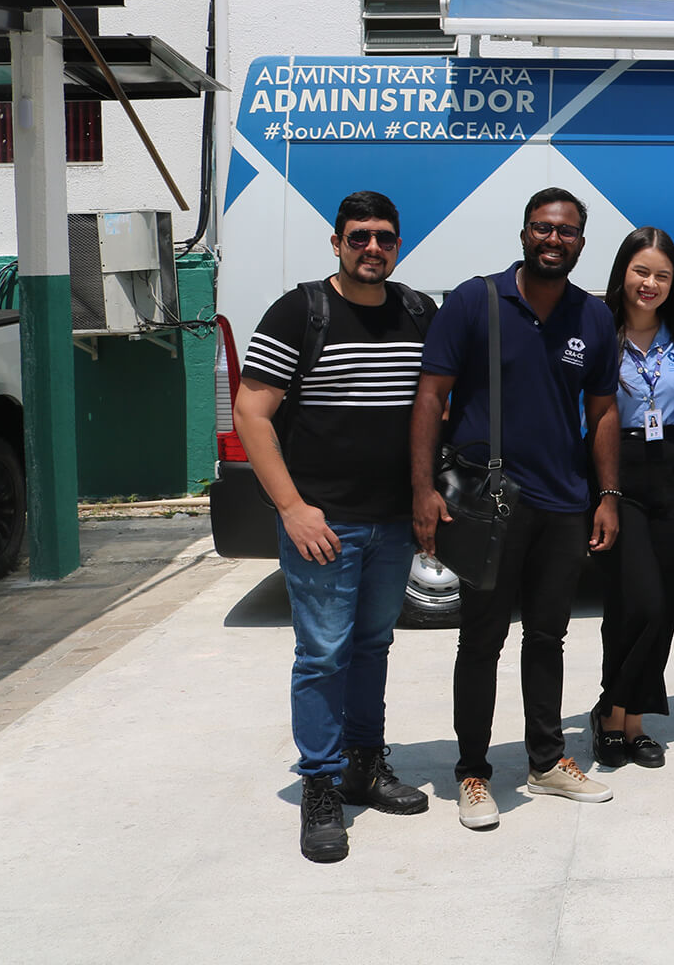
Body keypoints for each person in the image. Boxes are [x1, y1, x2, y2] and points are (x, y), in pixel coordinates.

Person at [234, 190, 435, 863]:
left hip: (393, 523)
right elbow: (251, 412)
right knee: (322, 654)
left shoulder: (418, 312)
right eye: (358, 237)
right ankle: (319, 785)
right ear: (337, 243)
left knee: (373, 646)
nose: (372, 248)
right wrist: (292, 508)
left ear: (398, 244)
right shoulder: (299, 312)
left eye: (384, 237)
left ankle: (364, 766)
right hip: (325, 525)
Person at [413, 186, 620, 830]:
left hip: (563, 501)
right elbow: (430, 396)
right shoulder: (475, 300)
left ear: (580, 242)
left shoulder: (593, 316)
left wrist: (607, 495)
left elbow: (602, 411)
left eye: (566, 231)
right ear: (524, 233)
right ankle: (472, 772)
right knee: (481, 640)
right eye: (542, 228)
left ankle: (547, 760)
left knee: (548, 637)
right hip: (488, 505)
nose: (553, 239)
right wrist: (422, 490)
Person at [589, 228, 674, 772]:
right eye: (641, 271)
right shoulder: (598, 331)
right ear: (622, 274)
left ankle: (633, 720)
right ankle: (610, 712)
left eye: (662, 275)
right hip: (616, 469)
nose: (650, 284)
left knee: (665, 602)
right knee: (637, 601)